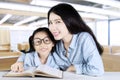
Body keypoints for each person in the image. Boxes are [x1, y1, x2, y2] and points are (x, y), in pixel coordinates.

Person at [11, 3, 104, 76]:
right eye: (50, 23)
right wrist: (20, 61)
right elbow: (32, 53)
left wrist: (74, 68)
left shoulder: (84, 38)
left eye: (58, 22)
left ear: (70, 21)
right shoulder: (56, 42)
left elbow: (98, 70)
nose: (52, 27)